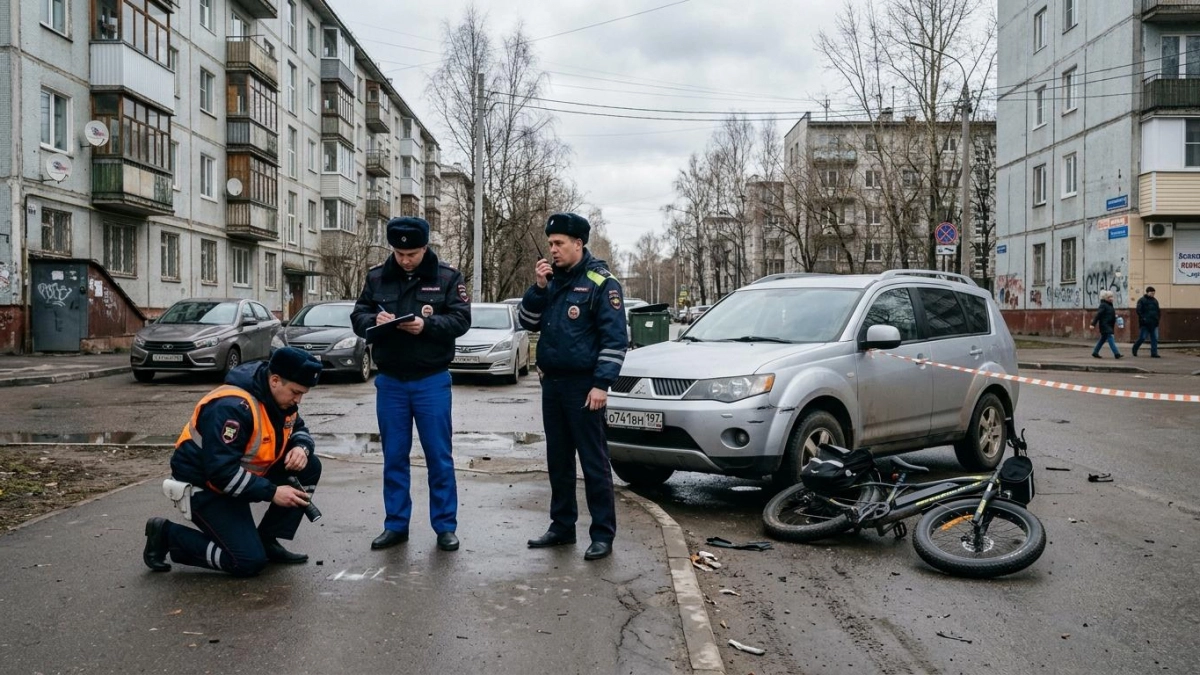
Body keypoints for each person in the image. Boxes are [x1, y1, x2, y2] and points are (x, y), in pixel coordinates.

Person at [142, 347, 323, 576]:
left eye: (302, 394)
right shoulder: (233, 407)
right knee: (247, 562)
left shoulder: (279, 399)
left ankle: (267, 540)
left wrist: (301, 447)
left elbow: (298, 427)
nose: (299, 400)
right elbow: (220, 473)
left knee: (309, 466)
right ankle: (167, 535)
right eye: (296, 392)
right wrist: (272, 492)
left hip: (237, 478)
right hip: (206, 484)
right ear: (275, 380)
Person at [351, 216, 470, 552]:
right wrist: (374, 319)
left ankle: (445, 526)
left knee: (439, 457)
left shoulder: (446, 276)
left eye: (413, 254)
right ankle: (396, 525)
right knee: (394, 457)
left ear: (425, 247)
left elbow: (462, 319)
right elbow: (358, 315)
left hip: (431, 380)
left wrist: (427, 325)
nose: (405, 259)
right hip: (390, 382)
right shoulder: (377, 276)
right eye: (400, 254)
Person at [518, 212, 628, 561]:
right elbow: (526, 321)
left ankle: (602, 535)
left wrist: (601, 384)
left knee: (594, 463)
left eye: (559, 244)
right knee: (558, 460)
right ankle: (562, 527)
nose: (553, 250)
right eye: (550, 244)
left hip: (585, 388)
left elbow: (615, 339)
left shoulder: (601, 282)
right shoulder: (551, 281)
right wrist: (538, 287)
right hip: (553, 385)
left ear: (578, 244)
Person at [1090, 289, 1123, 359]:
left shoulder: (1110, 305)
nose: (1111, 298)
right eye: (1109, 297)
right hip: (1105, 325)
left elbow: (1108, 314)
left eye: (1112, 297)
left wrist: (1115, 317)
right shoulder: (1103, 305)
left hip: (1109, 324)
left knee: (1102, 339)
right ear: (1105, 298)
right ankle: (1116, 353)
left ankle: (1095, 352)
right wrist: (1093, 324)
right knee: (1110, 338)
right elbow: (1098, 315)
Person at [1132, 286, 1161, 358]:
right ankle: (1135, 348)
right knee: (1142, 337)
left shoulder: (1155, 301)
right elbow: (1139, 310)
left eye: (1154, 293)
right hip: (1145, 323)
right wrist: (1143, 319)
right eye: (1151, 293)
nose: (1152, 294)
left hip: (1154, 322)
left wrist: (1157, 319)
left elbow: (1158, 311)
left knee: (1154, 338)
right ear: (1147, 292)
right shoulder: (1142, 300)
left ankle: (1154, 353)